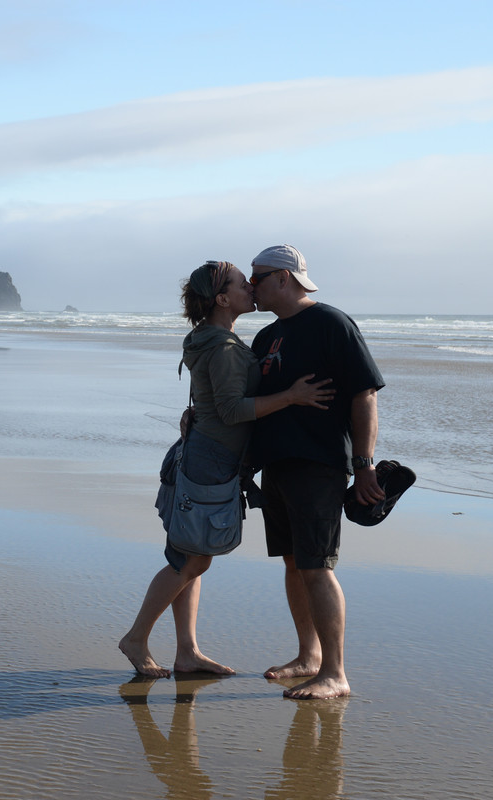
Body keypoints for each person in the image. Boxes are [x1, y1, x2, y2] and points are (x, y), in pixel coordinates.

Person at [119, 261, 333, 678]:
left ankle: (187, 653)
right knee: (190, 560)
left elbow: (212, 400)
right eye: (241, 284)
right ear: (221, 298)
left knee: (193, 557)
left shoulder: (207, 338)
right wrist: (291, 396)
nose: (250, 287)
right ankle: (136, 638)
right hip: (212, 459)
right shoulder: (224, 348)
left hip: (202, 452)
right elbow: (234, 409)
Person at [247, 244, 386, 700]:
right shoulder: (266, 337)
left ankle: (336, 672)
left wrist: (363, 465)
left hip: (319, 464)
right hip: (277, 466)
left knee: (317, 565)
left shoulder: (331, 323)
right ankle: (308, 657)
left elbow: (364, 394)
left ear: (284, 278)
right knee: (292, 562)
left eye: (258, 277)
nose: (252, 286)